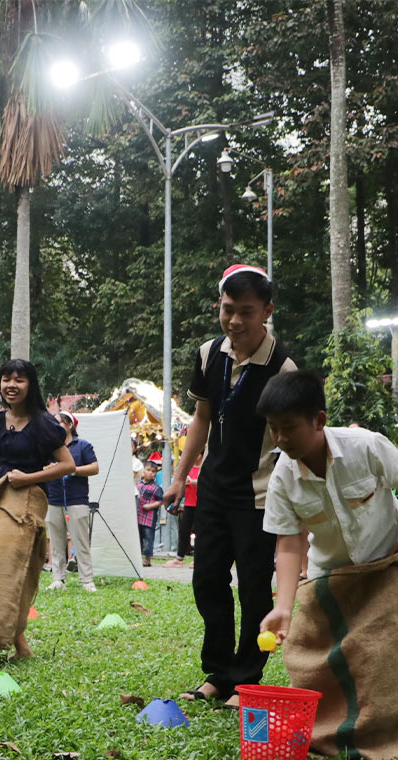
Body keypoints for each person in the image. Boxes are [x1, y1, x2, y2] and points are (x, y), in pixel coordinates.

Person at [256, 372, 398, 760]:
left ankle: (396, 730)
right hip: (330, 575)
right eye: (273, 428)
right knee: (317, 655)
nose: (280, 438)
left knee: (389, 653)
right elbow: (289, 542)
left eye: (289, 427)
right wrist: (283, 607)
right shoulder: (283, 476)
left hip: (386, 566)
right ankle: (333, 729)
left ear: (319, 420)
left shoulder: (365, 445)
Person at [163, 265, 295, 708]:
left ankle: (246, 678)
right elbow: (201, 418)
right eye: (227, 310)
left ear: (267, 312)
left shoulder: (282, 366)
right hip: (214, 489)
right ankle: (218, 674)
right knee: (207, 581)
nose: (235, 321)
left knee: (254, 587)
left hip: (259, 493)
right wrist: (179, 477)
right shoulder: (208, 354)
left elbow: (290, 435)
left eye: (246, 312)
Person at [0, 359, 75, 672]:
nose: (11, 385)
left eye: (19, 379)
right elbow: (3, 453)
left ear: (30, 384)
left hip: (27, 501)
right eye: (6, 379)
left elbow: (68, 465)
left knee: (1, 568)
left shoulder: (44, 423)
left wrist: (28, 478)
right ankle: (21, 646)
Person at [45, 412, 99, 590]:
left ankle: (87, 580)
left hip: (77, 500)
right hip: (53, 499)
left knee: (81, 541)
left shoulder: (83, 445)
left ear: (69, 425)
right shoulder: (49, 448)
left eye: (59, 422)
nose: (55, 426)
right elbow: (41, 468)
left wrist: (71, 469)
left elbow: (94, 468)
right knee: (56, 542)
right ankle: (58, 579)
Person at [137, 459, 164, 567]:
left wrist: (150, 506)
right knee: (138, 539)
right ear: (143, 471)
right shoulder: (138, 484)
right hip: (137, 516)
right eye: (148, 470)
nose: (150, 473)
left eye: (153, 471)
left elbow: (161, 501)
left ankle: (147, 560)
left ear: (156, 474)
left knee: (148, 538)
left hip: (149, 518)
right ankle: (137, 559)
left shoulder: (156, 488)